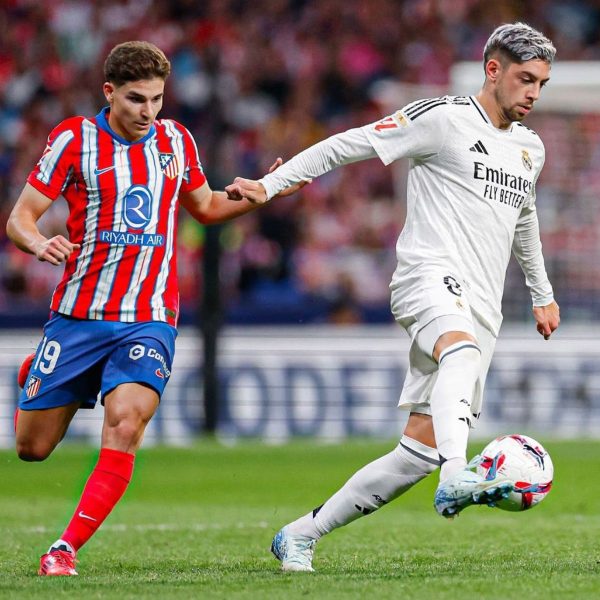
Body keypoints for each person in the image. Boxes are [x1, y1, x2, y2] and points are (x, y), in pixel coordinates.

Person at [226, 22, 561, 572]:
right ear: (493, 71)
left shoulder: (530, 148)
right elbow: (349, 144)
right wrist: (271, 184)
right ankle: (459, 475)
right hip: (427, 276)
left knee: (416, 455)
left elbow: (523, 218)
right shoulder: (443, 118)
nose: (534, 94)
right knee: (460, 354)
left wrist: (542, 293)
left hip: (482, 303)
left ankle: (301, 535)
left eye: (542, 84)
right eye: (526, 79)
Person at [8, 40, 300, 577]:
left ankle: (64, 549)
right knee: (32, 449)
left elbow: (206, 206)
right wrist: (37, 243)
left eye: (158, 99)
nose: (148, 112)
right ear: (109, 92)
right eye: (137, 99)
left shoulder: (175, 141)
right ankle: (36, 375)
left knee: (125, 425)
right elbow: (21, 217)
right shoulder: (74, 140)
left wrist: (265, 192)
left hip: (149, 318)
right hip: (78, 317)